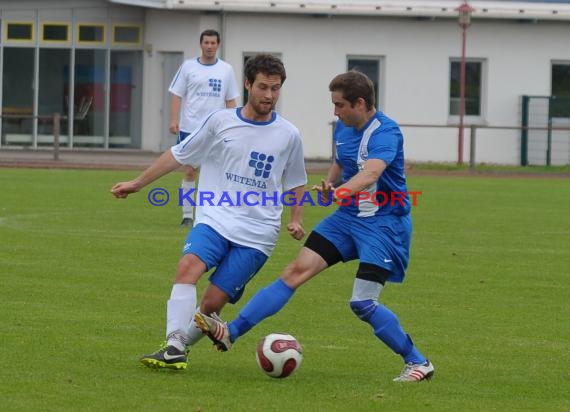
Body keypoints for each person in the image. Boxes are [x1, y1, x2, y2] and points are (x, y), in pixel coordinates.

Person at [195, 70, 435, 382]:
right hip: (347, 219)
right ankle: (232, 333)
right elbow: (342, 160)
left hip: (385, 225)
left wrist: (342, 191)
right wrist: (332, 182)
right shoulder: (345, 128)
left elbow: (372, 173)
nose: (335, 112)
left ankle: (418, 362)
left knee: (362, 303)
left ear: (359, 103)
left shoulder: (386, 132)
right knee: (293, 273)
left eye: (339, 105)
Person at [111, 54, 307, 370]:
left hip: (258, 234)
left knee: (212, 305)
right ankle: (173, 344)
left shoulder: (289, 134)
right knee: (188, 266)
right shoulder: (220, 122)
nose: (269, 95)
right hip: (215, 218)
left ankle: (181, 346)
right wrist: (138, 183)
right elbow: (178, 154)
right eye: (262, 87)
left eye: (275, 88)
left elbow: (297, 181)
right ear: (247, 84)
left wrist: (296, 219)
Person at [169, 29, 239, 227]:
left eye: (213, 43)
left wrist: (235, 127)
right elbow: (177, 94)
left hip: (216, 130)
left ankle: (210, 214)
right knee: (190, 171)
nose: (209, 46)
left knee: (215, 172)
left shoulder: (226, 69)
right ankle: (187, 216)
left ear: (218, 45)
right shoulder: (188, 67)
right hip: (190, 128)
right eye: (206, 43)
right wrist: (174, 120)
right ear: (201, 44)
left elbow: (231, 100)